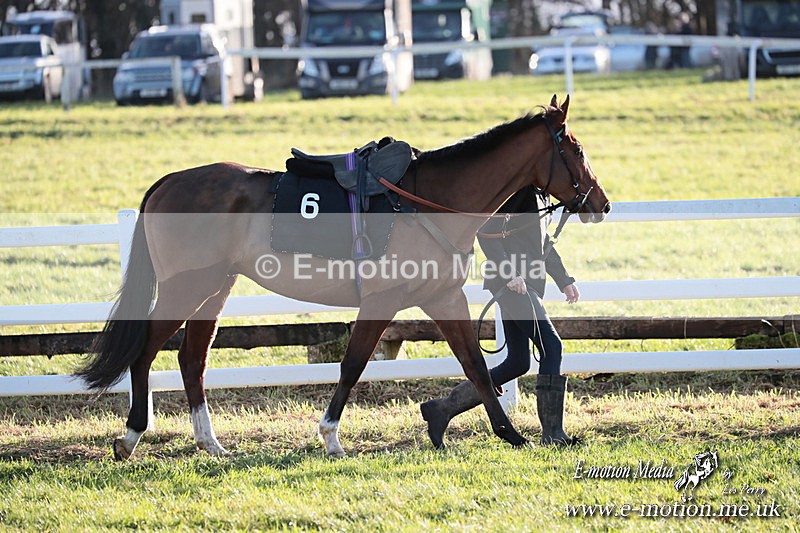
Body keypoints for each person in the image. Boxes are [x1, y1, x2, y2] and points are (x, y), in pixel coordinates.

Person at [420, 185, 580, 448]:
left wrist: (564, 280)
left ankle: (443, 408)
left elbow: (542, 242)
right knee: (552, 346)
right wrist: (508, 272)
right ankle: (553, 434)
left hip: (525, 284)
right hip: (512, 285)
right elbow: (486, 230)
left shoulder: (540, 194)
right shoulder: (516, 190)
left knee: (518, 362)